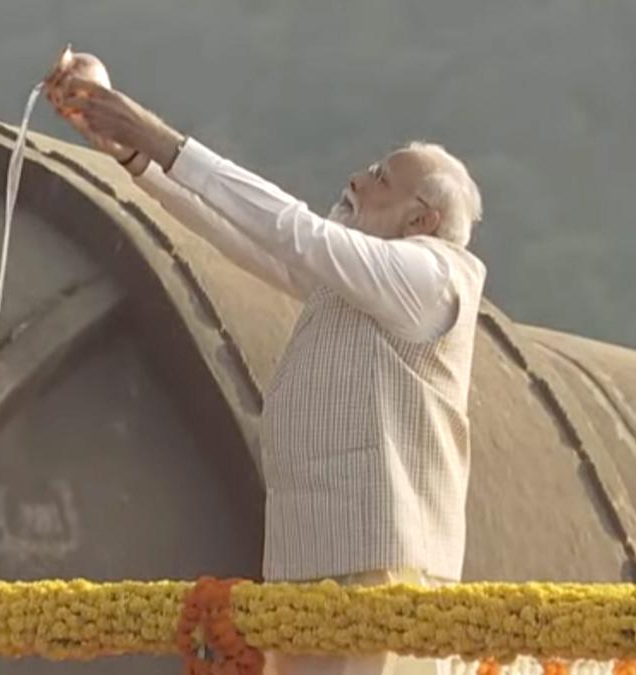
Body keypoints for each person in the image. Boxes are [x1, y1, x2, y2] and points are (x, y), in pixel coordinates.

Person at [46, 56, 487, 675]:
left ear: (421, 219)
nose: (357, 180)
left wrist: (161, 140)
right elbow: (244, 233)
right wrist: (133, 156)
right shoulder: (352, 283)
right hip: (309, 563)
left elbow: (292, 231)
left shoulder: (435, 276)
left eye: (380, 179)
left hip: (385, 568)